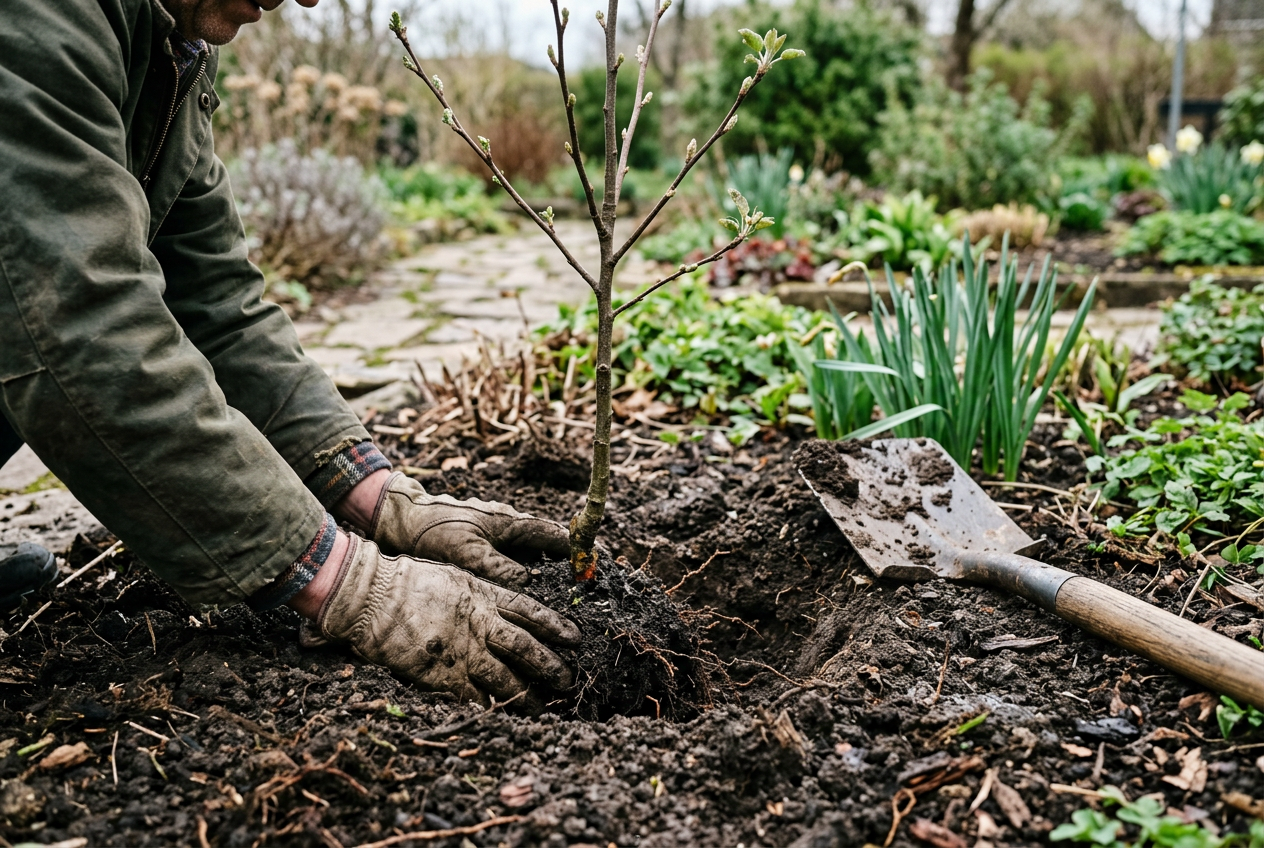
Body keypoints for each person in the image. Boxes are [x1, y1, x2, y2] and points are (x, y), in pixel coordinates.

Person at [0, 0, 580, 704]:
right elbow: (73, 322)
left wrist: (379, 500)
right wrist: (348, 581)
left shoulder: (168, 43)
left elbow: (215, 303)